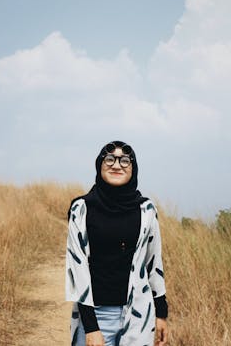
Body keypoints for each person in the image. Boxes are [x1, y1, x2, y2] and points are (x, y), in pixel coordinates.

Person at [65, 141, 169, 346]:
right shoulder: (82, 209)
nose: (117, 165)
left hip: (139, 313)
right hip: (97, 314)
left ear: (133, 167)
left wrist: (161, 312)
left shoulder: (146, 210)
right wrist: (91, 326)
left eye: (125, 160)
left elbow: (153, 263)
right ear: (100, 165)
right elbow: (78, 269)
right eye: (110, 159)